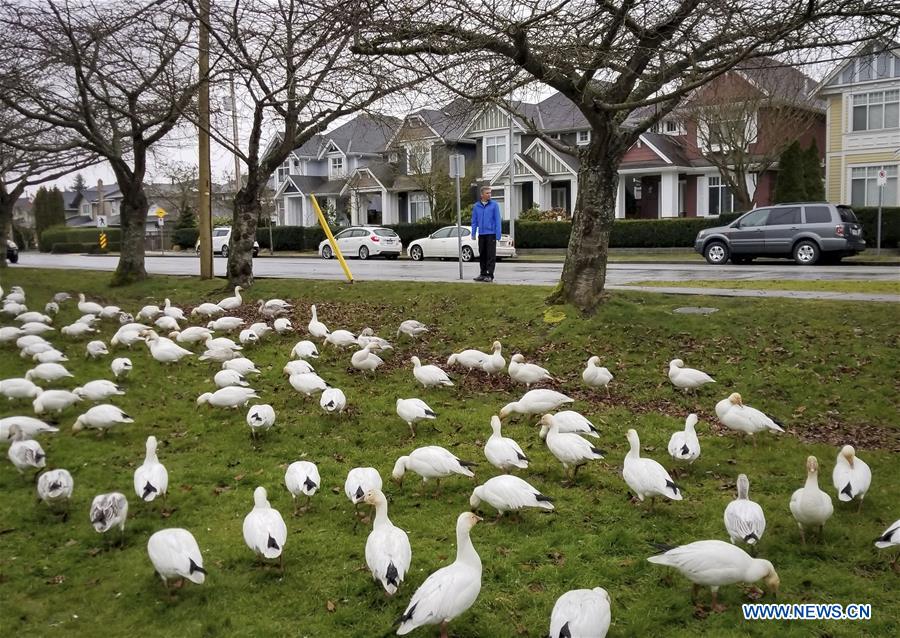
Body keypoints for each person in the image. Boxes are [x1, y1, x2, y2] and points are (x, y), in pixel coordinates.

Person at [470, 186, 502, 282]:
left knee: (490, 255)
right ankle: (483, 273)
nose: (489, 195)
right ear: (482, 194)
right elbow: (474, 221)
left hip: (491, 234)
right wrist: (473, 233)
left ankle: (490, 275)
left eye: (490, 193)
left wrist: (498, 234)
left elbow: (497, 220)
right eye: (487, 193)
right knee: (482, 254)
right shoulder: (476, 206)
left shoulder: (494, 205)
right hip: (482, 234)